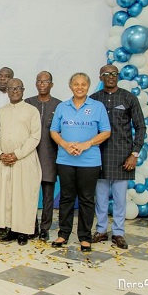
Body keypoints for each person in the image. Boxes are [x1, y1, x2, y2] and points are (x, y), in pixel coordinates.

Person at [50, 72, 111, 252]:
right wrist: (65, 144)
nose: (80, 87)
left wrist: (86, 144)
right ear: (70, 87)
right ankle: (63, 234)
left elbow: (106, 132)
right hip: (65, 159)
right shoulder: (62, 107)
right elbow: (54, 131)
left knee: (86, 199)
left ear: (88, 87)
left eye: (83, 84)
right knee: (67, 198)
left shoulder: (97, 106)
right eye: (76, 84)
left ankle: (85, 237)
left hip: (90, 161)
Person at [90, 65, 146, 249]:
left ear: (118, 76)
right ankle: (100, 230)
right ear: (101, 77)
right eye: (106, 74)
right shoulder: (94, 99)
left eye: (114, 74)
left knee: (121, 199)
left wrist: (134, 154)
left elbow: (140, 127)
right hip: (99, 156)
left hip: (124, 157)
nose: (110, 77)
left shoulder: (128, 98)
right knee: (101, 197)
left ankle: (119, 233)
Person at [0, 78, 42, 246]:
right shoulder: (0, 112)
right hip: (5, 161)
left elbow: (35, 136)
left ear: (23, 90)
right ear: (6, 91)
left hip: (24, 160)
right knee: (8, 196)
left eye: (18, 88)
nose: (14, 91)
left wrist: (17, 154)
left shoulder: (31, 110)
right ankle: (11, 230)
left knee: (24, 196)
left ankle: (23, 232)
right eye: (11, 88)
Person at [25, 71, 61, 242]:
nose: (42, 84)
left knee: (47, 196)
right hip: (29, 158)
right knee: (30, 194)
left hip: (49, 158)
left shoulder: (59, 106)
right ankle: (31, 226)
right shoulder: (28, 103)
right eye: (39, 81)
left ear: (51, 84)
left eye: (45, 81)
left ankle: (45, 228)